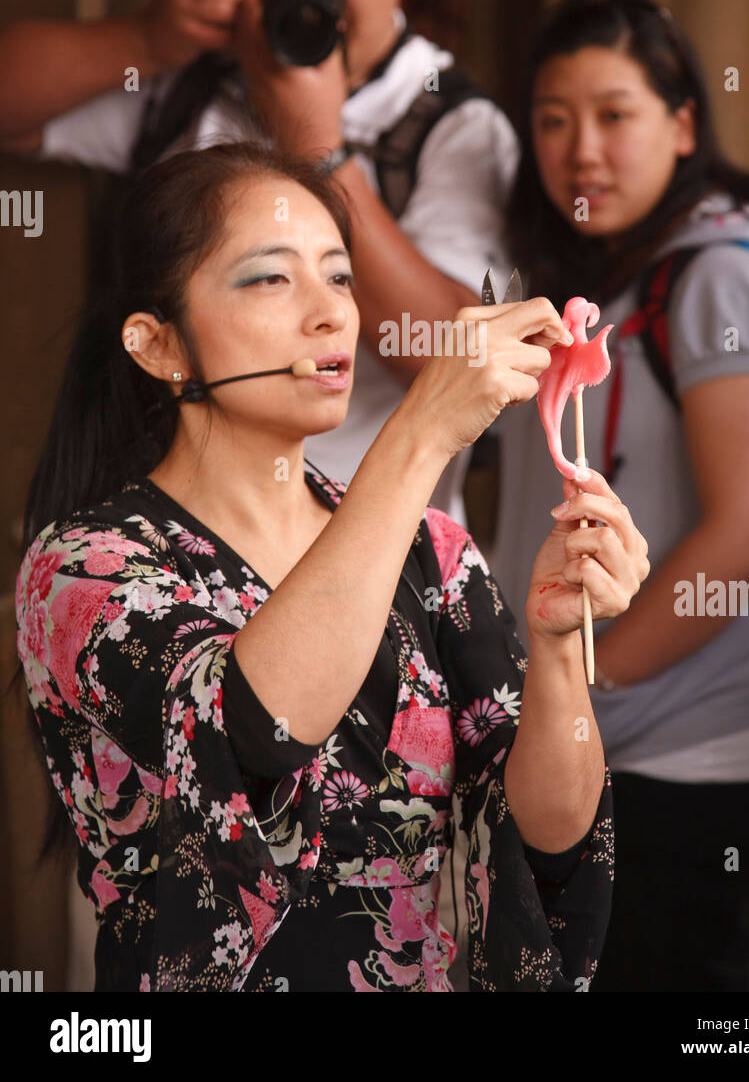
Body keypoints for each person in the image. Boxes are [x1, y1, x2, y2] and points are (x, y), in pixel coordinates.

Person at [15, 139, 650, 992]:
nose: (329, 314)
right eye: (271, 278)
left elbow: (551, 841)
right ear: (159, 345)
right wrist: (421, 431)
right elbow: (256, 732)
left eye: (341, 277)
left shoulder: (433, 552)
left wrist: (560, 645)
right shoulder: (82, 569)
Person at [0, 0, 519, 528]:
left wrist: (319, 150)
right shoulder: (193, 80)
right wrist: (144, 39)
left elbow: (452, 355)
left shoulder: (450, 121)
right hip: (179, 540)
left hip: (377, 543)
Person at [493, 0, 749, 992]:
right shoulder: (602, 274)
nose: (580, 151)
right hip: (604, 746)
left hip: (688, 761)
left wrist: (577, 688)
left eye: (614, 114)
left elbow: (746, 531)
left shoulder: (727, 276)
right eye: (552, 120)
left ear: (683, 125)